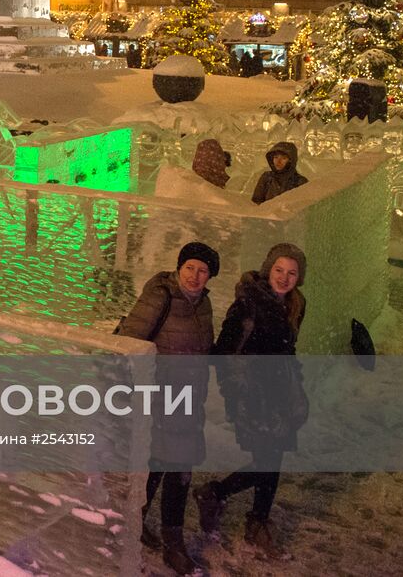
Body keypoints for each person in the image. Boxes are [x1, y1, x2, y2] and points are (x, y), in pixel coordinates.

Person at [195, 243, 309, 557]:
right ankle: (224, 498)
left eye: (291, 273)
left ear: (299, 278)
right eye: (279, 270)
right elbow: (225, 352)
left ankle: (248, 514)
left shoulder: (296, 304)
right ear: (267, 269)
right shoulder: (249, 303)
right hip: (253, 396)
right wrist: (238, 392)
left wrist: (295, 384)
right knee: (267, 460)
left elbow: (288, 350)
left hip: (280, 394)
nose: (284, 278)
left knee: (273, 459)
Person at [117, 241, 219, 576]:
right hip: (158, 401)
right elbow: (129, 343)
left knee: (167, 466)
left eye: (202, 271)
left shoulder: (204, 305)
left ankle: (135, 523)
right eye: (189, 267)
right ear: (179, 267)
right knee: (171, 469)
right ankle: (170, 543)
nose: (194, 275)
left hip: (188, 402)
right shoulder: (160, 296)